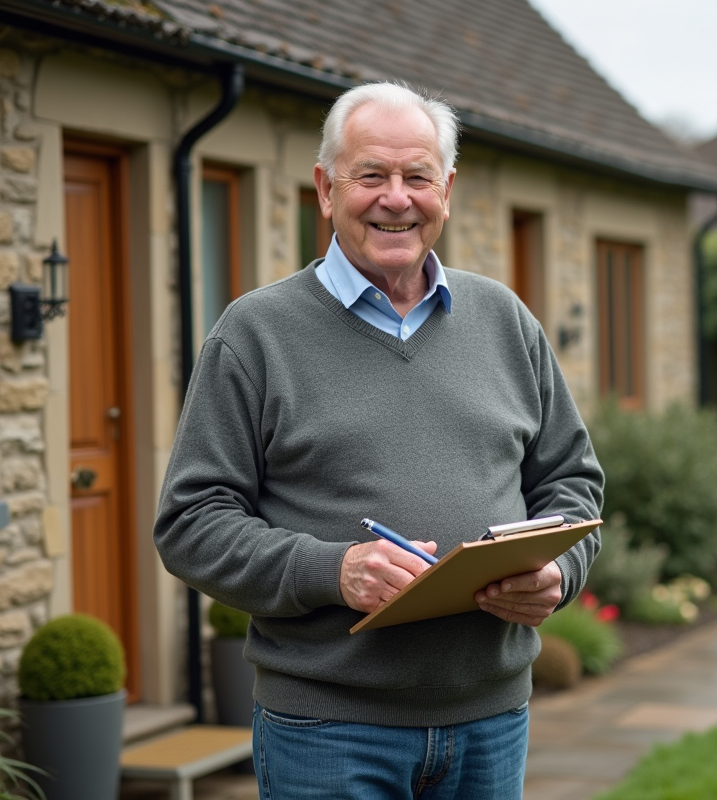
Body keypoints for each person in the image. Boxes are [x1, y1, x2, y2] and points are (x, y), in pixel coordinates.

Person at [153, 81, 603, 799]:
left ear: (446, 189)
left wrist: (559, 573)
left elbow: (573, 484)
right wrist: (334, 571)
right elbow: (190, 525)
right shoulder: (255, 335)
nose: (397, 198)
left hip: (490, 723)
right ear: (326, 190)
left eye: (417, 176)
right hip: (327, 734)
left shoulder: (506, 321)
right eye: (371, 175)